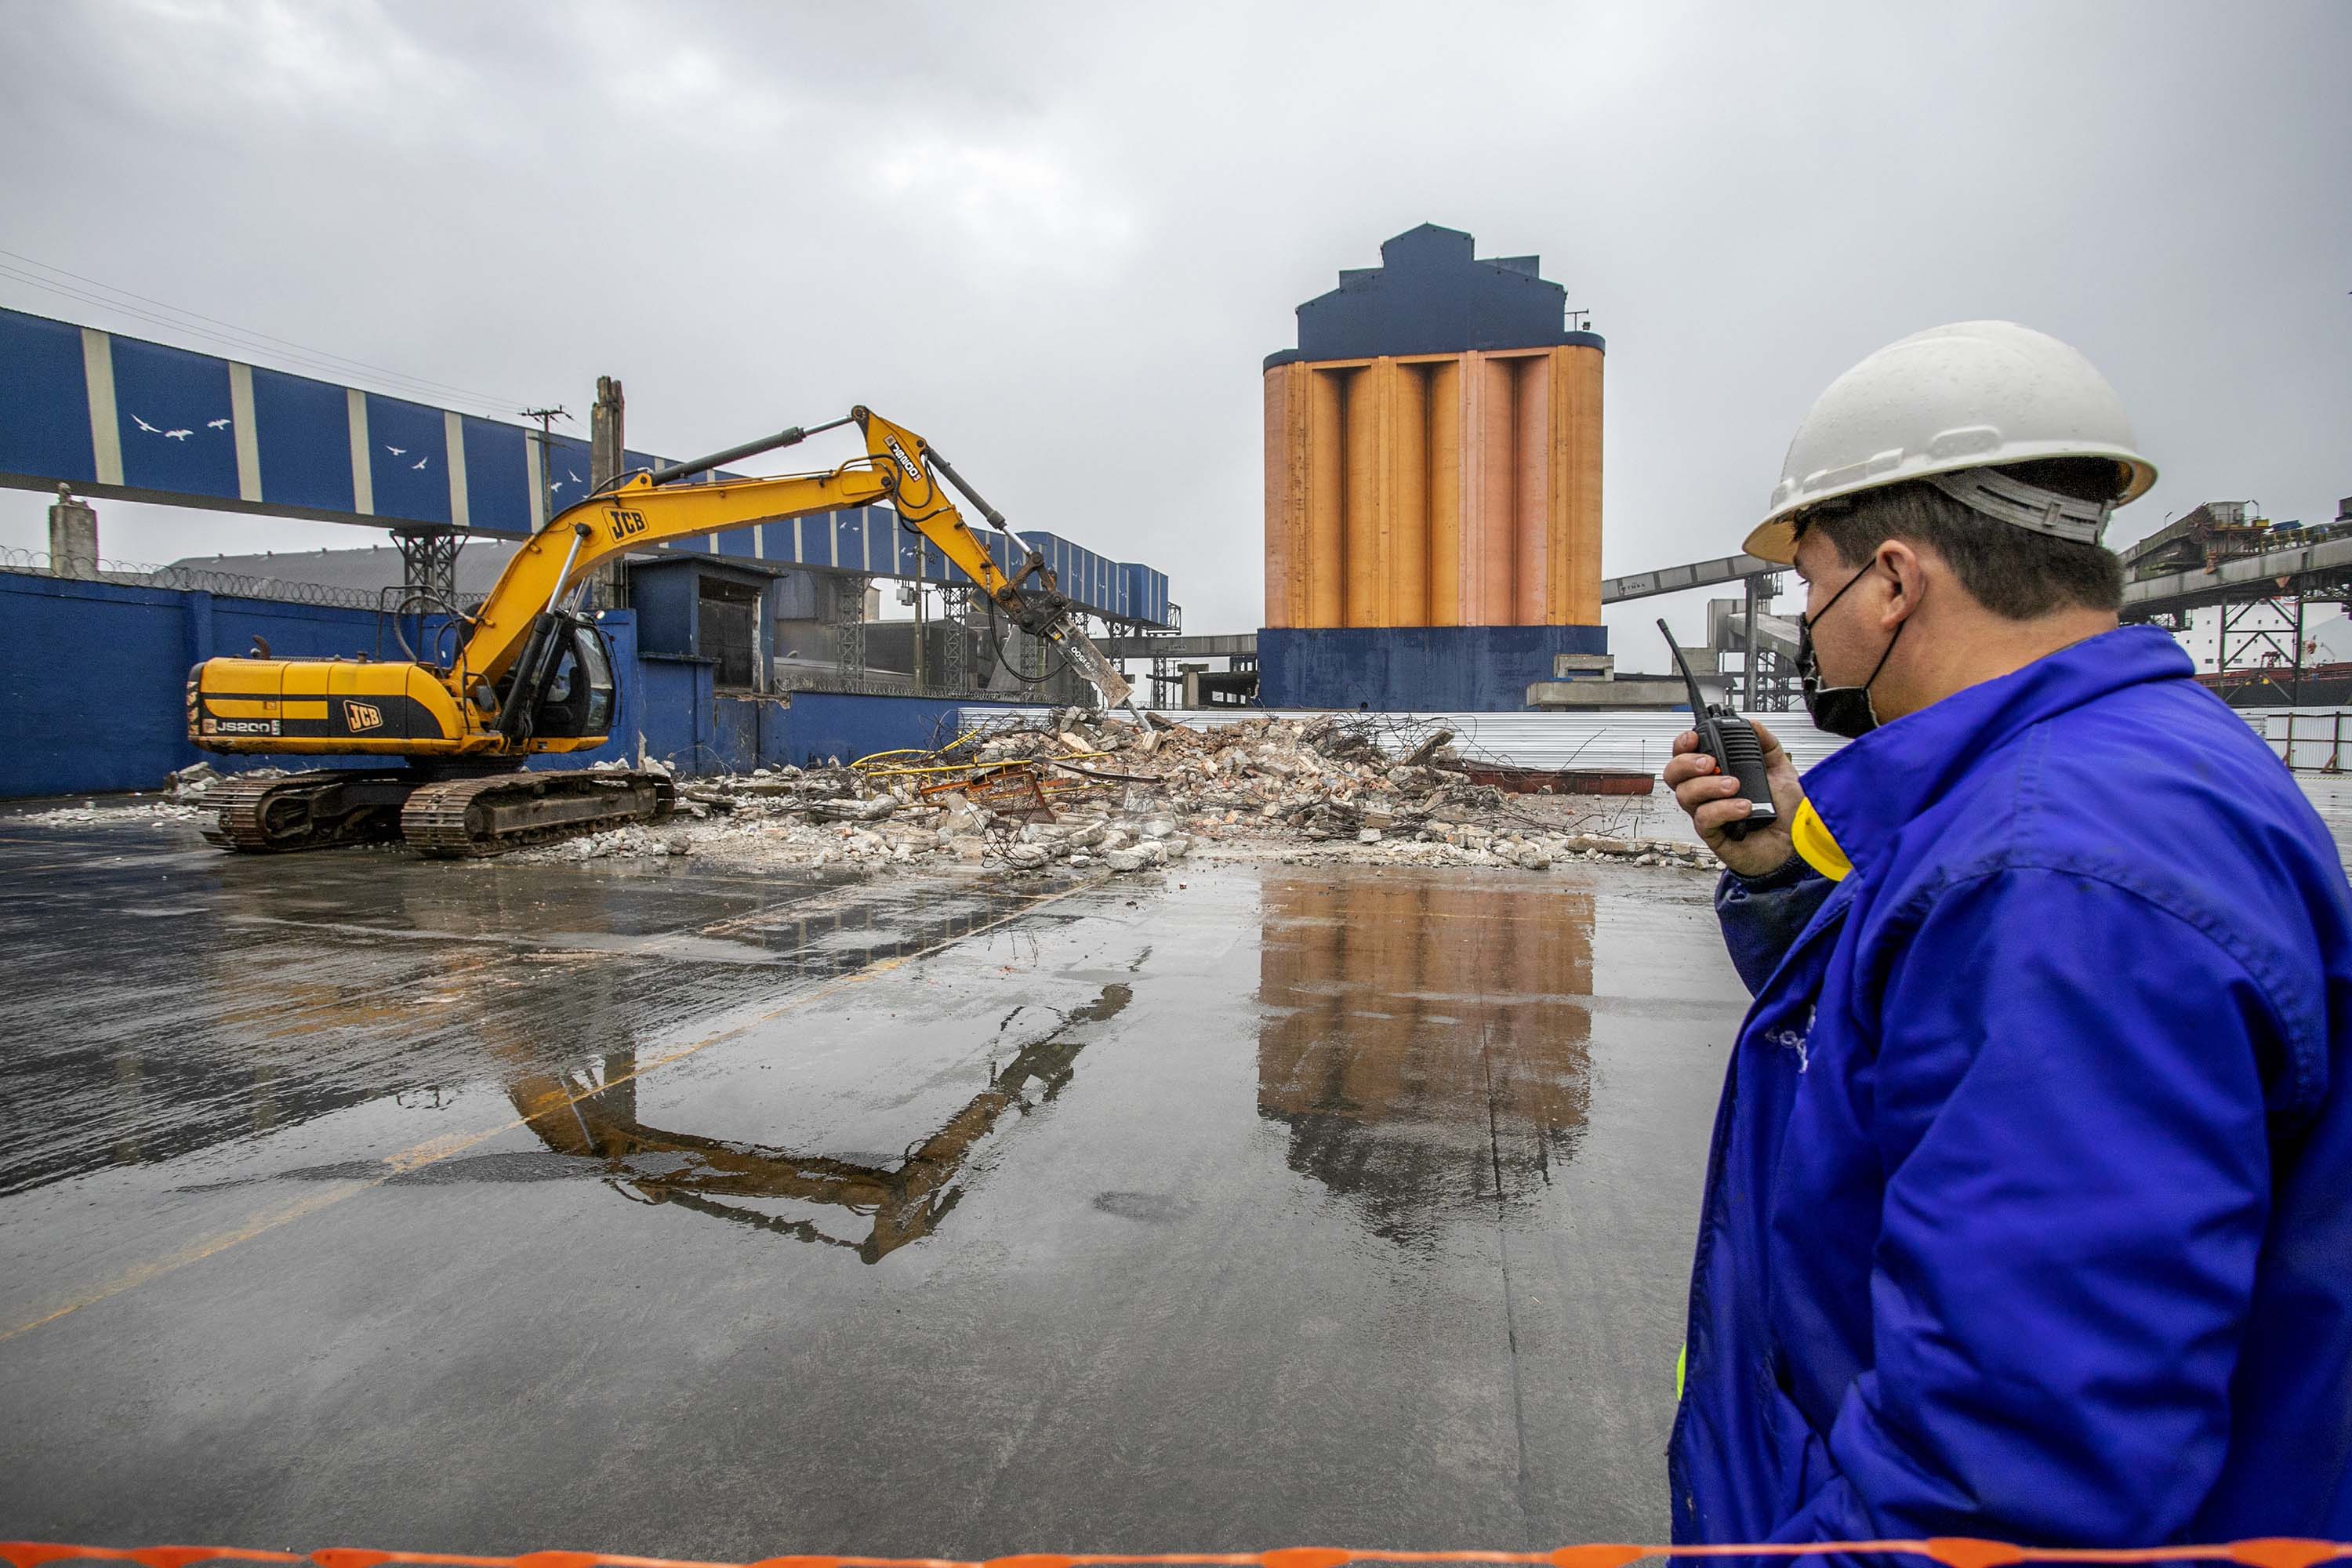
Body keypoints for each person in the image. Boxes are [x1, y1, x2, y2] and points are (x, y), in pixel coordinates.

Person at [1662, 321, 2352, 1544]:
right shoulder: (2111, 777)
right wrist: (1784, 882)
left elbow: (2011, 1470)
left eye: (1812, 587)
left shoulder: (2057, 873)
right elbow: (1930, 1050)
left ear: (1890, 581)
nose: (1809, 626)